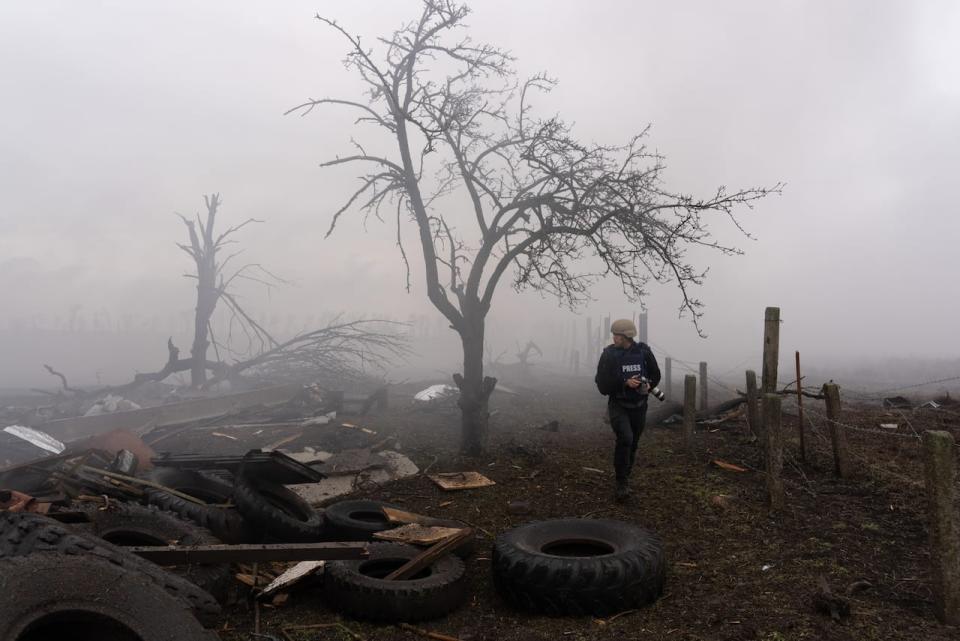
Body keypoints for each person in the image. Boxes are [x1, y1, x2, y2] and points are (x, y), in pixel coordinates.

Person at [594, 318, 661, 502]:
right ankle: (621, 482)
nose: (614, 338)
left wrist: (648, 385)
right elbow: (601, 384)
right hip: (618, 405)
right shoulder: (608, 355)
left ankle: (626, 474)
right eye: (614, 335)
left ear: (627, 336)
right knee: (625, 438)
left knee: (633, 443)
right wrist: (624, 382)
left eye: (617, 335)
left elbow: (656, 374)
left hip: (639, 405)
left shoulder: (644, 352)